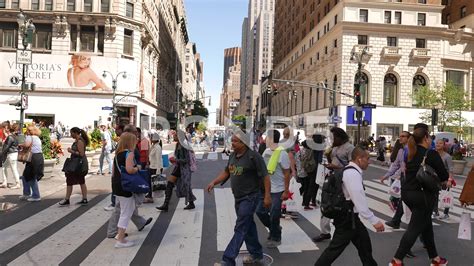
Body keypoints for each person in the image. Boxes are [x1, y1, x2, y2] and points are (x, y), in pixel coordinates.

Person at [207, 133, 271, 266]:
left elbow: (265, 176)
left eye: (235, 141)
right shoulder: (232, 156)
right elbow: (227, 172)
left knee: (241, 227)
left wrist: (267, 196)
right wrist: (214, 182)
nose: (232, 143)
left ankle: (228, 260)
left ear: (244, 143)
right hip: (238, 197)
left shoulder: (254, 156)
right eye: (232, 141)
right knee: (248, 226)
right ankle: (257, 255)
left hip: (250, 197)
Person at [389, 124, 449, 266]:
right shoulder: (430, 154)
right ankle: (397, 260)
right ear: (426, 138)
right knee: (414, 228)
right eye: (429, 138)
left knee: (426, 226)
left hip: (408, 193)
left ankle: (435, 259)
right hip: (423, 196)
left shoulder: (409, 151)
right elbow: (443, 175)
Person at [315, 147, 385, 266]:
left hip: (351, 218)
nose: (369, 162)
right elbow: (358, 199)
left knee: (365, 247)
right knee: (334, 250)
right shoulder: (352, 173)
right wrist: (373, 220)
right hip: (347, 219)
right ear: (359, 159)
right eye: (367, 159)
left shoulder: (348, 170)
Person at [106, 127, 153, 240]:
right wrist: (137, 168)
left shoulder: (118, 154)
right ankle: (119, 236)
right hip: (126, 186)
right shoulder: (129, 153)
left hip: (118, 183)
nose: (136, 140)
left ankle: (130, 228)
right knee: (125, 212)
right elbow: (129, 170)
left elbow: (113, 172)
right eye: (134, 139)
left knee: (126, 209)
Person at [313, 127, 354, 243]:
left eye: (333, 137)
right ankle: (325, 232)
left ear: (340, 137)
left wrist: (336, 167)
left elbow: (353, 166)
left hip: (344, 181)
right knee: (326, 204)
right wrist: (328, 157)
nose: (331, 139)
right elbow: (332, 161)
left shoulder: (350, 148)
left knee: (342, 206)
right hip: (332, 179)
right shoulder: (335, 147)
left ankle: (345, 231)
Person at [256, 129, 290, 248]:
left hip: (278, 189)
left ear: (271, 139)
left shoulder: (282, 153)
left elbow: (287, 173)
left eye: (266, 138)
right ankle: (274, 228)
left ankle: (275, 236)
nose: (264, 140)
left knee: (275, 214)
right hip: (266, 188)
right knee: (259, 211)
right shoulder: (266, 151)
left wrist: (286, 191)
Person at [156, 134, 196, 211]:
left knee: (186, 186)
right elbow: (179, 157)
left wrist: (176, 160)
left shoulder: (185, 146)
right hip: (178, 168)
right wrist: (175, 159)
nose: (173, 136)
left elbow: (186, 160)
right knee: (170, 184)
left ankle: (191, 203)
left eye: (176, 135)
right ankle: (166, 204)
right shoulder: (178, 144)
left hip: (185, 170)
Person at [59, 127, 89, 206]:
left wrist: (71, 151)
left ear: (75, 133)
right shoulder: (79, 140)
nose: (70, 134)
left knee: (71, 180)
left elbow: (81, 154)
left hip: (78, 164)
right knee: (79, 180)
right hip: (78, 164)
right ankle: (84, 198)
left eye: (71, 133)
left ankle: (67, 199)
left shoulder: (79, 141)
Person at [18, 126, 44, 202]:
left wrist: (20, 144)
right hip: (38, 157)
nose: (27, 131)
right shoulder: (37, 138)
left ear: (31, 131)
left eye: (28, 130)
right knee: (25, 176)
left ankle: (36, 195)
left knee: (31, 176)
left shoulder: (30, 137)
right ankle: (26, 193)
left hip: (33, 158)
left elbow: (26, 145)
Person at [433, 138, 454, 220]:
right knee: (434, 195)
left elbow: (451, 169)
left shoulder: (447, 156)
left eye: (440, 143)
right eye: (437, 143)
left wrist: (449, 180)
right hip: (435, 178)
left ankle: (446, 213)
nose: (438, 144)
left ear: (444, 145)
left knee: (446, 196)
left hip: (445, 179)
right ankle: (435, 211)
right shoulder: (433, 154)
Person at [144, 133, 163, 203]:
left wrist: (158, 170)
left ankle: (150, 195)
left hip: (156, 167)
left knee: (153, 183)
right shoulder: (153, 146)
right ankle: (150, 195)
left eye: (151, 138)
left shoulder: (157, 147)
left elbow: (159, 159)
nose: (150, 139)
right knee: (150, 182)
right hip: (152, 166)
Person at [1, 123, 21, 189]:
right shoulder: (17, 136)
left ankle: (17, 183)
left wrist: (2, 153)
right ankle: (5, 182)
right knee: (5, 167)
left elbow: (6, 146)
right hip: (15, 153)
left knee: (13, 169)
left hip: (10, 154)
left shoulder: (10, 137)